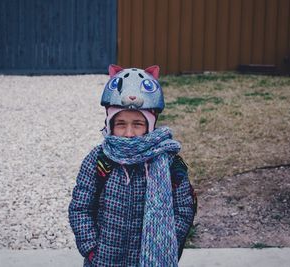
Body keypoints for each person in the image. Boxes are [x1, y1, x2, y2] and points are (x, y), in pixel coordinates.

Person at [69, 65, 197, 266]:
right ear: (110, 124)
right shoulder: (99, 160)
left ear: (150, 125)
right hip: (104, 260)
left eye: (138, 124)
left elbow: (184, 208)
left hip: (151, 259)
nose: (129, 133)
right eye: (121, 124)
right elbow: (80, 208)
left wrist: (167, 243)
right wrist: (92, 249)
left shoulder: (170, 162)